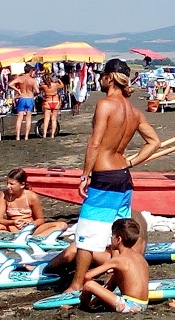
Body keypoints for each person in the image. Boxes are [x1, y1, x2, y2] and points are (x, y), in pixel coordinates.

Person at [52, 59, 163, 294]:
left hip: (104, 176)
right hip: (123, 177)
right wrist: (130, 161)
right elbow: (155, 142)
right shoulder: (134, 111)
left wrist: (85, 175)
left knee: (87, 235)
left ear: (110, 77)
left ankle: (76, 284)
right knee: (118, 233)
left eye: (103, 75)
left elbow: (95, 143)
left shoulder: (105, 105)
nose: (100, 79)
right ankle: (115, 280)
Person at [77, 217, 153, 313]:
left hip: (128, 305)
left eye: (112, 236)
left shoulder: (118, 259)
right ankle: (93, 303)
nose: (110, 238)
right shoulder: (140, 257)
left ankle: (83, 307)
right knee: (115, 276)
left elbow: (87, 276)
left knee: (89, 285)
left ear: (118, 239)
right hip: (143, 304)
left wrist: (96, 276)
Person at [0, 167, 67, 238]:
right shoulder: (4, 195)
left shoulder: (31, 196)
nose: (8, 186)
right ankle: (20, 238)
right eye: (7, 183)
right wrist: (13, 222)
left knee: (62, 225)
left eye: (11, 184)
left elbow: (40, 219)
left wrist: (31, 224)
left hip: (31, 228)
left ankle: (34, 238)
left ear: (22, 185)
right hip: (12, 227)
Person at [10, 66, 39, 140]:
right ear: (30, 71)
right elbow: (38, 91)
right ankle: (26, 136)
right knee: (28, 118)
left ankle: (18, 136)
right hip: (29, 98)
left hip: (22, 97)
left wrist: (18, 90)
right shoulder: (32, 80)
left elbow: (10, 84)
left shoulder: (20, 78)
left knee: (20, 118)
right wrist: (33, 94)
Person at [40, 71, 63, 139]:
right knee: (53, 119)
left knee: (46, 119)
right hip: (55, 101)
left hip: (48, 101)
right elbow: (62, 85)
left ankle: (44, 134)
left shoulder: (43, 86)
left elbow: (38, 90)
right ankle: (52, 135)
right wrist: (58, 80)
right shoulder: (55, 85)